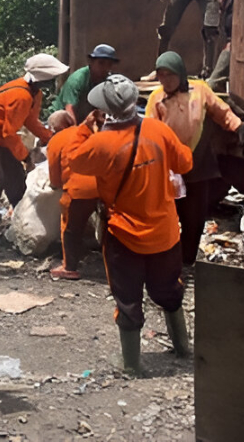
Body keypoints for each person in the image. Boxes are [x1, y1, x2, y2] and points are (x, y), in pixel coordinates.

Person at [66, 74, 193, 375]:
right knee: (168, 292)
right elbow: (185, 163)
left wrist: (86, 126)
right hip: (165, 233)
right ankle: (183, 348)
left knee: (128, 298)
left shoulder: (99, 143)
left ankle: (132, 366)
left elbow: (73, 161)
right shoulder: (158, 130)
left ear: (104, 109)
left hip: (124, 236)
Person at [146, 51, 244, 266]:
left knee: (195, 218)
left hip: (199, 164)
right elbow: (149, 131)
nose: (165, 80)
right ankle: (167, 261)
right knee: (168, 217)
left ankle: (187, 261)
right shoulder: (156, 98)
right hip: (170, 169)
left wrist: (237, 125)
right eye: (161, 75)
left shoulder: (199, 90)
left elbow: (220, 110)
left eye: (170, 75)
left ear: (180, 74)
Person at [0, 53, 69, 251]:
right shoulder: (20, 95)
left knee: (16, 180)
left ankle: (22, 225)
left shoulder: (33, 95)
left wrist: (51, 137)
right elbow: (8, 132)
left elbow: (30, 121)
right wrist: (25, 156)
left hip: (3, 135)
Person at [45, 110, 100, 281]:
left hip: (78, 190)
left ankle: (69, 267)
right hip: (103, 186)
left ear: (55, 128)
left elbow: (54, 174)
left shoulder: (56, 140)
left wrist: (56, 186)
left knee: (70, 228)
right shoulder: (88, 132)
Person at [48, 44, 120, 123]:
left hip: (84, 121)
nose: (105, 68)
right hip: (61, 120)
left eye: (109, 65)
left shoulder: (108, 82)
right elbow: (69, 109)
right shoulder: (77, 79)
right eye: (101, 63)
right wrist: (74, 132)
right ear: (91, 62)